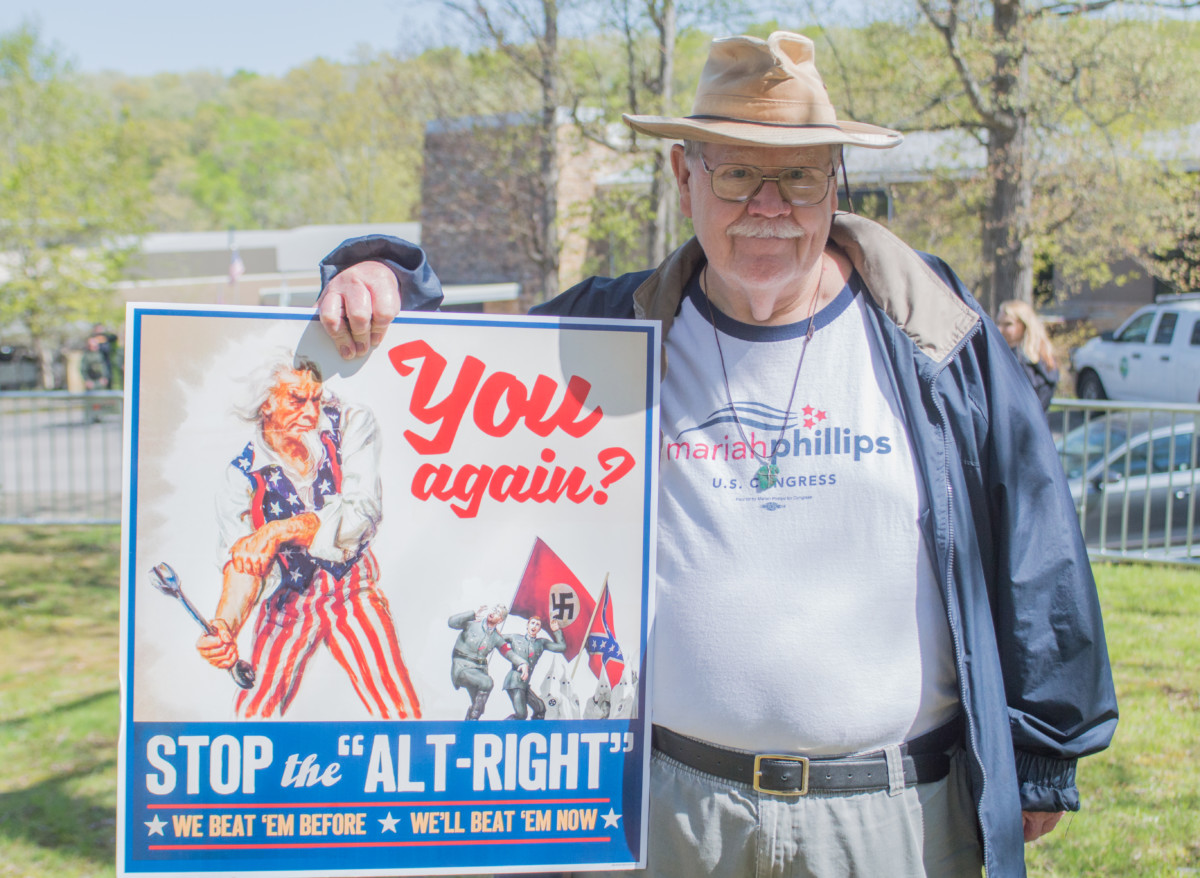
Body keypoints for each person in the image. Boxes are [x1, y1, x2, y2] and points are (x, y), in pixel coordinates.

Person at [314, 31, 1117, 878]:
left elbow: (1036, 535)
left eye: (800, 176)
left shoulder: (937, 337)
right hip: (669, 814)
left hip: (895, 818)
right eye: (737, 173)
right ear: (683, 176)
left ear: (834, 180)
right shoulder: (604, 336)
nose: (769, 204)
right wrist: (382, 279)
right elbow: (443, 373)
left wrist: (1044, 748)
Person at [196, 355, 422, 719]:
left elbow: (361, 513)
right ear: (265, 405)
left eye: (316, 399)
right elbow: (244, 562)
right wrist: (225, 627)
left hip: (352, 589)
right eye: (297, 400)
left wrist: (278, 530)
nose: (311, 412)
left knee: (398, 709)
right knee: (255, 715)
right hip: (289, 601)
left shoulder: (349, 423)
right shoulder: (241, 477)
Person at [449, 604, 526, 720]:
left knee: (479, 705)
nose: (493, 612)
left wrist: (522, 663)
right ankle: (473, 720)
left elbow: (507, 652)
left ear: (500, 620)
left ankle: (469, 723)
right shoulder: (472, 623)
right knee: (487, 682)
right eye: (494, 610)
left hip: (479, 671)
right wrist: (471, 614)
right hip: (462, 666)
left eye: (497, 613)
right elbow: (451, 622)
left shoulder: (496, 637)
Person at [996, 299, 1060, 412]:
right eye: (998, 323)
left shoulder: (1039, 359)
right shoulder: (1002, 354)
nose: (1000, 329)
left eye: (1008, 324)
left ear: (1024, 325)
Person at [503, 615, 566, 720]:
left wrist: (556, 631)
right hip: (514, 682)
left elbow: (561, 647)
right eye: (532, 623)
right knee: (521, 715)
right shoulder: (515, 637)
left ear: (539, 629)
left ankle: (534, 732)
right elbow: (497, 638)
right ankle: (501, 728)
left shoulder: (541, 643)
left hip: (524, 685)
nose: (534, 626)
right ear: (527, 625)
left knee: (540, 708)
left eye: (537, 625)